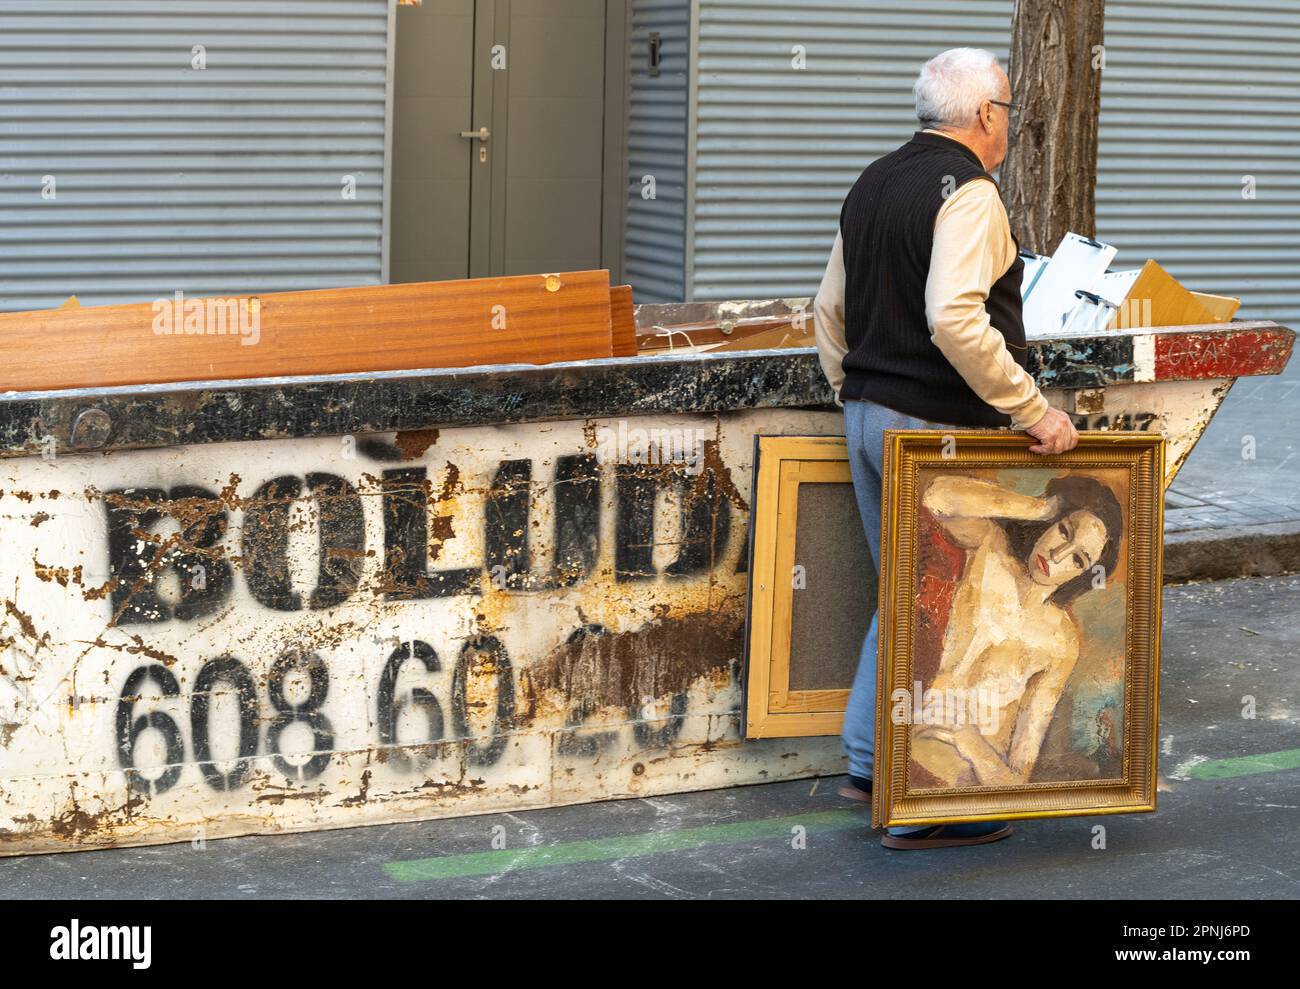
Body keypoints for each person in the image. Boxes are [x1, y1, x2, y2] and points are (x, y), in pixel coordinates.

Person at [812, 47, 1080, 850]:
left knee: (903, 593)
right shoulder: (970, 193)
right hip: (929, 428)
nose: (1009, 129)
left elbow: (828, 310)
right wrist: (1034, 410)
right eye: (1008, 113)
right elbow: (956, 318)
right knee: (934, 611)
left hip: (866, 412)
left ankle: (868, 765)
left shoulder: (874, 180)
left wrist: (856, 390)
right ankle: (924, 805)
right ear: (986, 116)